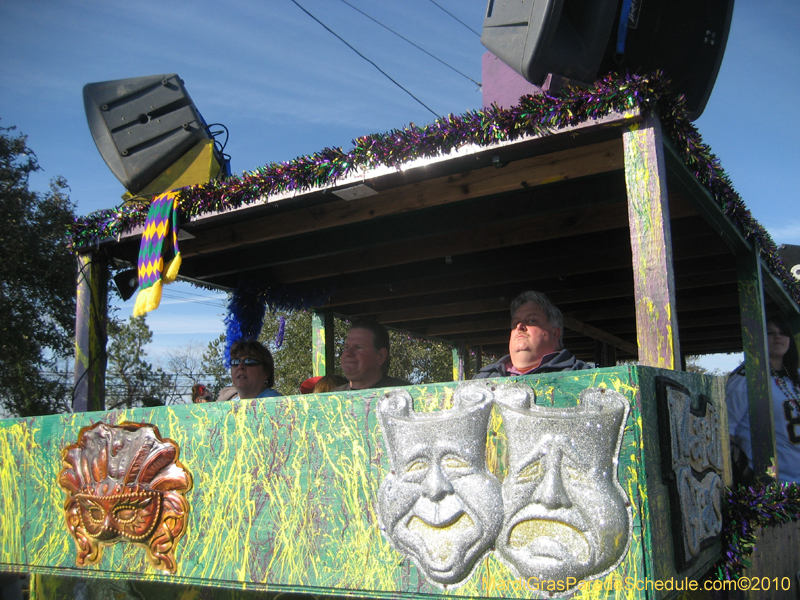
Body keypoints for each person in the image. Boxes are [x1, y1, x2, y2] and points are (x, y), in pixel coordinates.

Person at [726, 314, 800, 484]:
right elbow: (727, 431)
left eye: (783, 333)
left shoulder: (795, 377)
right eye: (770, 333)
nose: (778, 337)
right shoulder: (745, 378)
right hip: (773, 486)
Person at [473, 290, 589, 379]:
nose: (519, 327)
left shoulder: (583, 376)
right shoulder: (482, 378)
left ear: (555, 334)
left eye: (531, 321)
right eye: (515, 323)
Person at [334, 319, 410, 391]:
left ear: (381, 356)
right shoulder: (330, 398)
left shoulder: (406, 393)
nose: (348, 353)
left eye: (358, 347)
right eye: (346, 347)